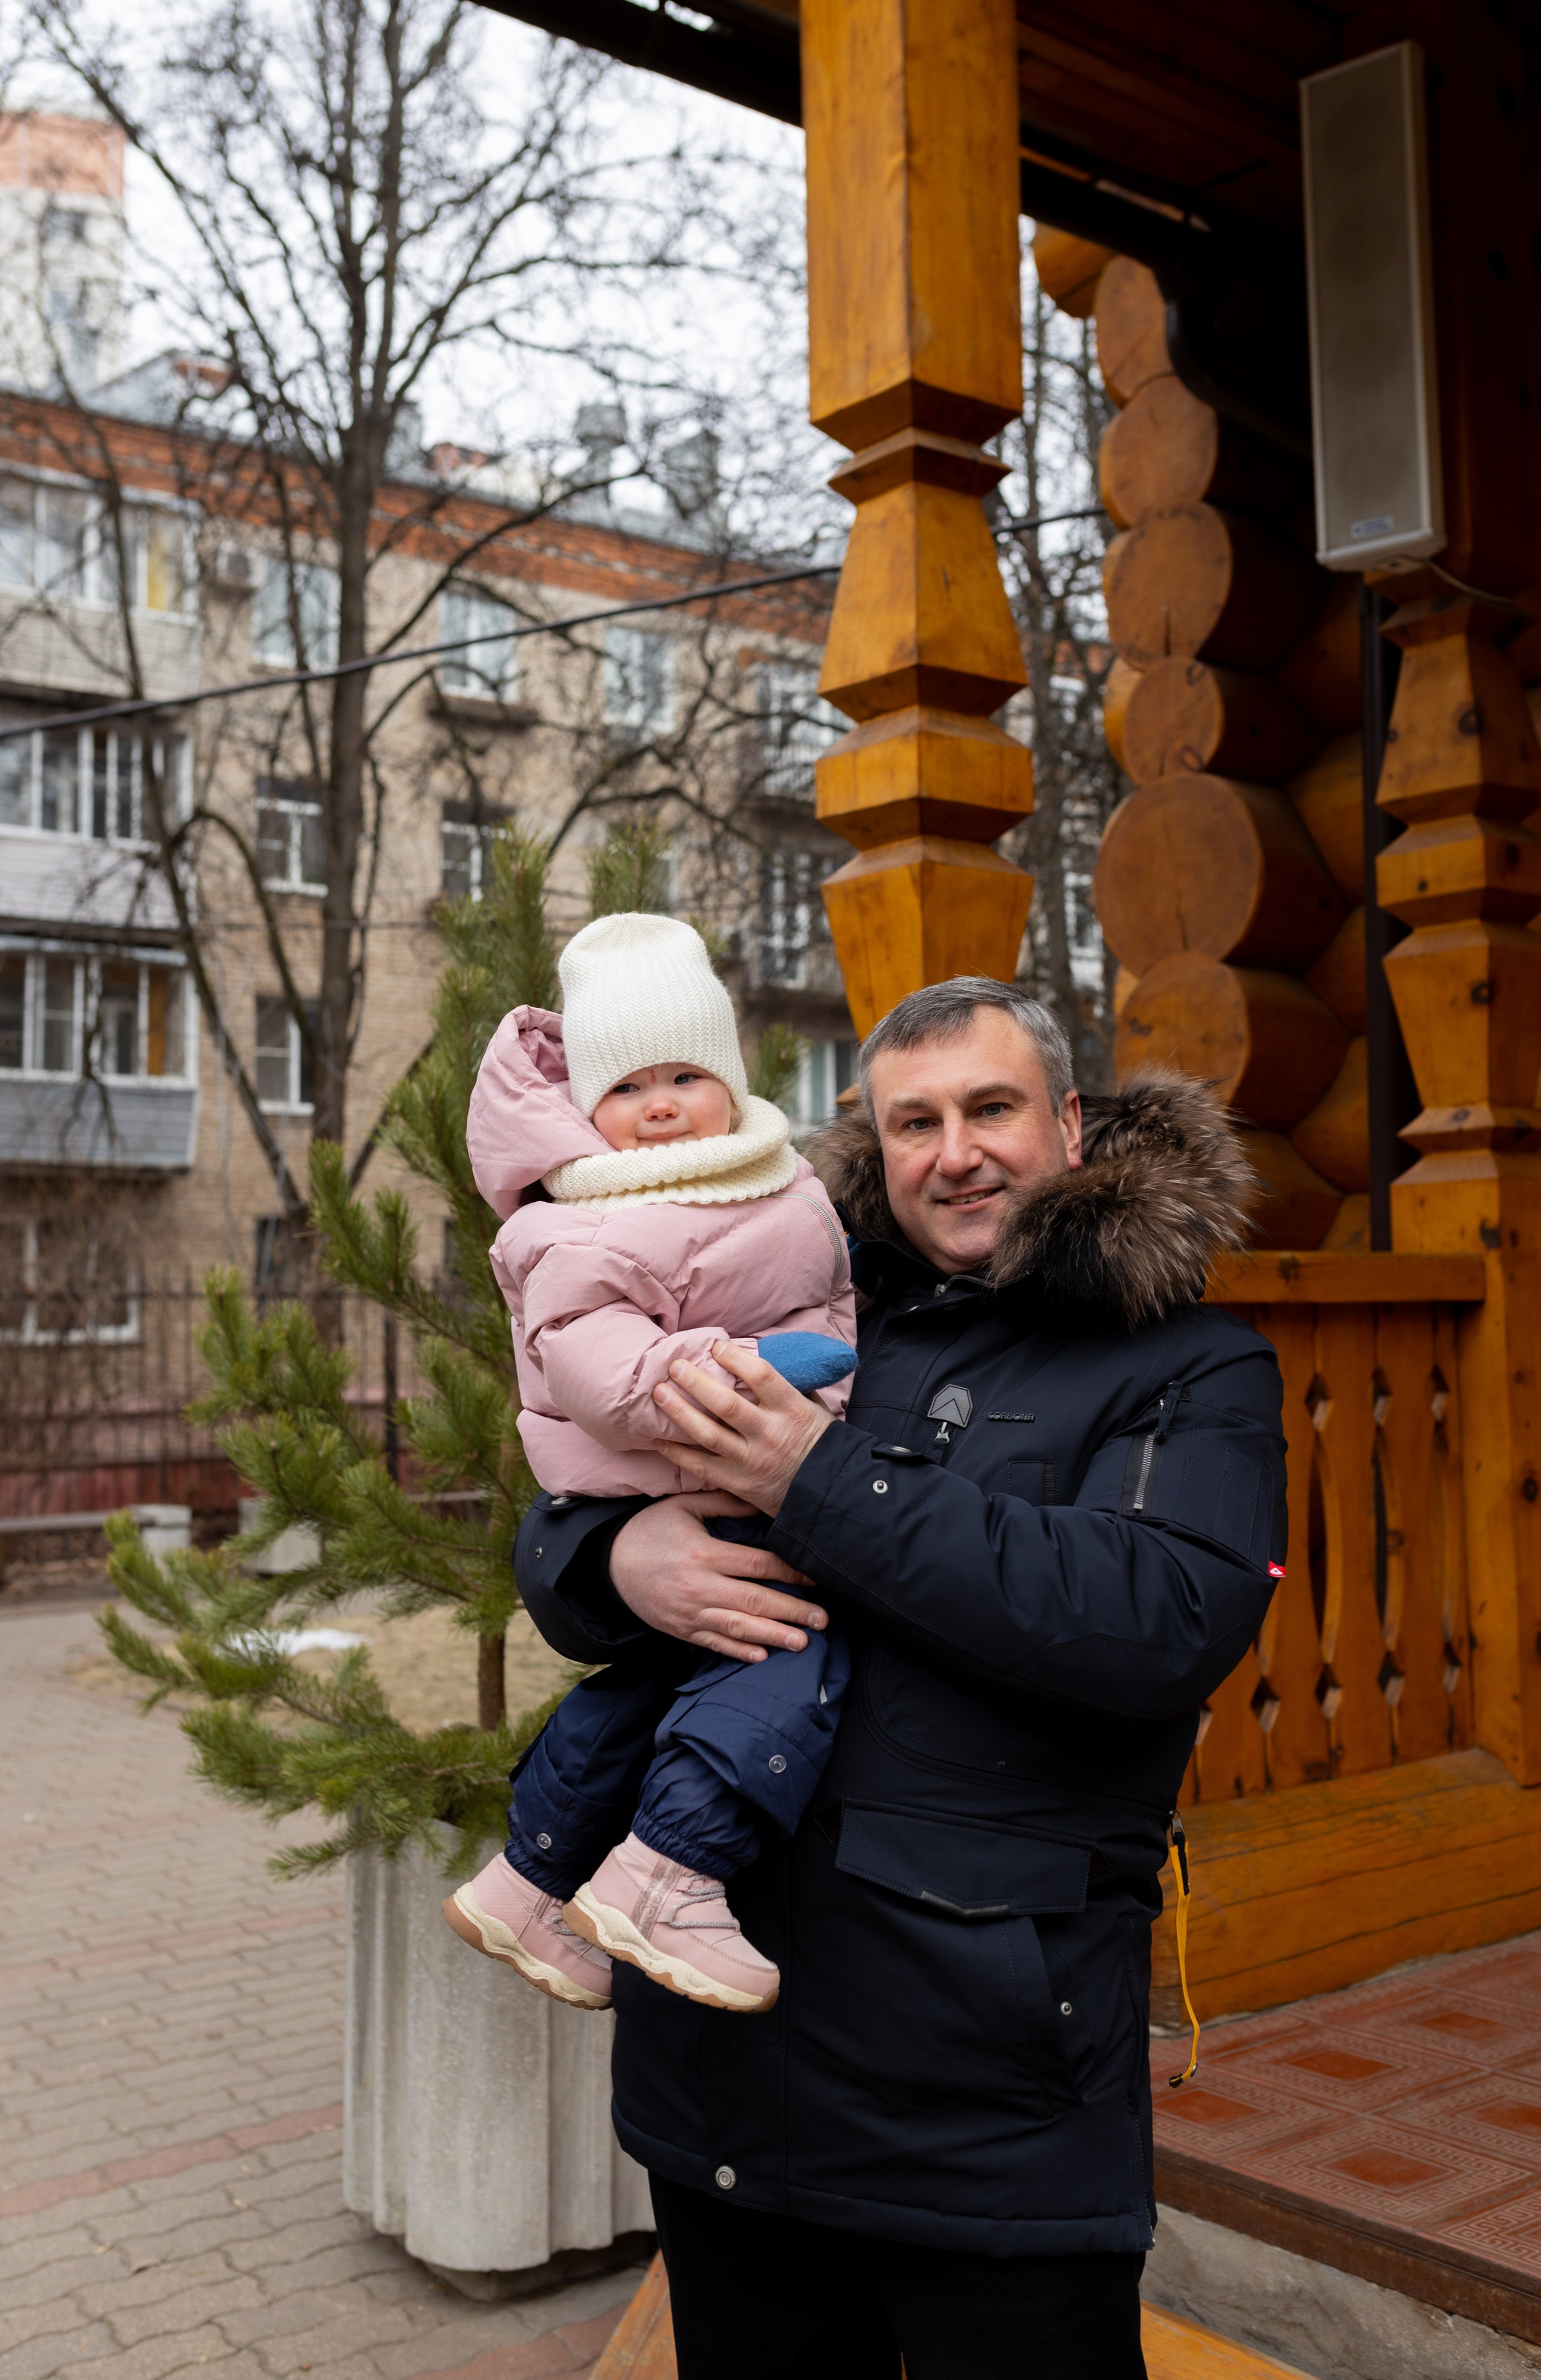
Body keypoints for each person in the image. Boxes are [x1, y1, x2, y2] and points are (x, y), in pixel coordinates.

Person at [513, 977, 1285, 2380]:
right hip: (726, 2083)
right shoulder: (791, 1297)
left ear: (1067, 1123)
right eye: (914, 1122)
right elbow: (569, 1505)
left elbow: (1159, 1619)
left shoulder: (1185, 1362)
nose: (956, 1153)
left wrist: (814, 1479)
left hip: (986, 2098)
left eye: (991, 1109)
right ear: (874, 1143)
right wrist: (617, 1560)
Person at [447, 911, 858, 2017]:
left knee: (649, 1693)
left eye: (685, 1075)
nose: (662, 1104)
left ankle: (531, 1879)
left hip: (738, 1470)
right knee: (791, 1651)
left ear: (731, 1080)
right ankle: (670, 1871)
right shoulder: (579, 1221)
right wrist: (737, 1369)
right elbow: (601, 1372)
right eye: (627, 1088)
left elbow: (821, 1290)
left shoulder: (771, 1178)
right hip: (682, 1470)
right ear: (586, 1111)